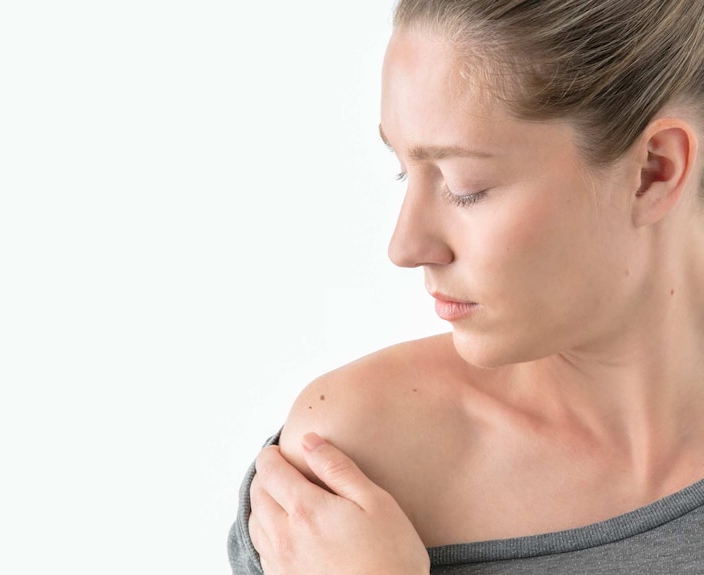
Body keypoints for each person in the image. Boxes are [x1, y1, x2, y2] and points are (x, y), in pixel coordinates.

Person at [228, 0, 704, 573]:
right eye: (405, 171)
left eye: (465, 185)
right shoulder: (353, 466)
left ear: (654, 170)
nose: (404, 247)